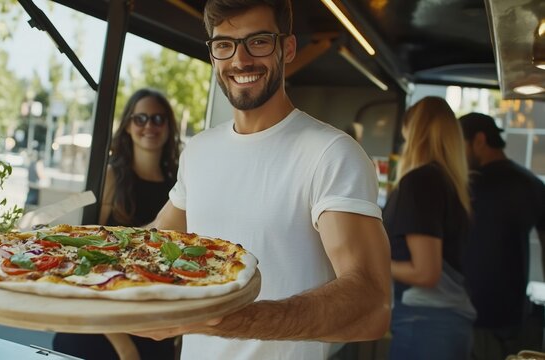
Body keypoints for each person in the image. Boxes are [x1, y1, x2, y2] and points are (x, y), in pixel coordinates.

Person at [130, 1, 391, 359]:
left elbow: (371, 306)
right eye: (224, 44)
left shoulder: (331, 153)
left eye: (259, 41)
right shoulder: (200, 150)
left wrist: (219, 321)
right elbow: (151, 241)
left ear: (287, 48)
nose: (240, 60)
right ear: (213, 54)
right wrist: (50, 247)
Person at [53, 88, 181, 360]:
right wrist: (124, 347)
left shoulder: (179, 188)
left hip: (153, 327)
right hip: (96, 327)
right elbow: (83, 259)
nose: (149, 126)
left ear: (169, 127)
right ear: (127, 127)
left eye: (158, 119)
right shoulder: (111, 177)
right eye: (140, 118)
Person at [383, 96, 476, 359]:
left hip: (425, 324)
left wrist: (373, 261)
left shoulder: (420, 182)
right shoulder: (448, 182)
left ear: (413, 131)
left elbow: (425, 273)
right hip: (443, 323)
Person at [459, 112, 545, 360]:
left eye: (460, 145)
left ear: (479, 140)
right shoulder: (533, 185)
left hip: (473, 313)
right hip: (514, 315)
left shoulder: (468, 186)